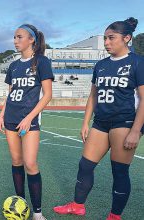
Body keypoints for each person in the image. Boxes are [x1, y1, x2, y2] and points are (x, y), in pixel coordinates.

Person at [53, 17, 144, 220]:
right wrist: (85, 122)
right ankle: (77, 206)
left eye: (111, 38)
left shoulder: (138, 63)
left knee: (119, 172)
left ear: (127, 38)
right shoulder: (101, 64)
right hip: (101, 122)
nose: (106, 42)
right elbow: (93, 96)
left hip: (125, 123)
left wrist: (136, 131)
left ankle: (114, 216)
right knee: (85, 165)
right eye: (104, 38)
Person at [0, 24, 53, 220]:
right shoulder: (13, 65)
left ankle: (37, 212)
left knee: (30, 163)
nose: (15, 40)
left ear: (32, 40)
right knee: (16, 161)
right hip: (11, 119)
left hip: (29, 121)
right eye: (14, 37)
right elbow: (11, 93)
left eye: (19, 37)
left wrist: (29, 118)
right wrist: (2, 114)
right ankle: (20, 204)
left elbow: (47, 95)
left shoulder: (42, 62)